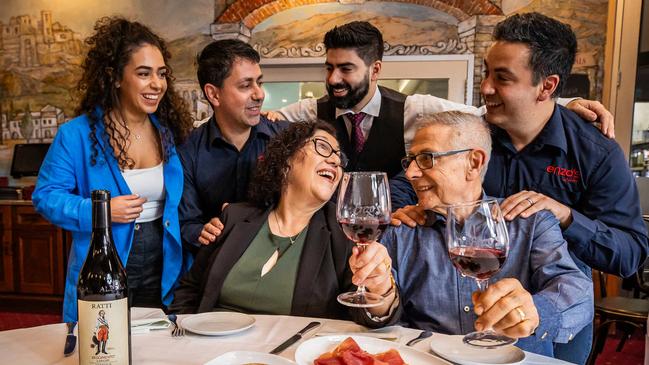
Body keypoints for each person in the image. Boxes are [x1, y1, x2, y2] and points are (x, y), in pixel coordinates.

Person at [392, 13, 649, 364]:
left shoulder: (596, 152)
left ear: (547, 86)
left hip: (552, 312)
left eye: (502, 78)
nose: (485, 88)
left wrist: (566, 216)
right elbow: (416, 177)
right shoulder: (473, 137)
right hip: (455, 315)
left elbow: (631, 253)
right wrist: (405, 208)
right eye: (486, 72)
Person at [270, 21, 615, 181]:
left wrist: (563, 103)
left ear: (375, 69)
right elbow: (264, 122)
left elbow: (482, 114)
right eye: (329, 68)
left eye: (345, 68)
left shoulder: (415, 108)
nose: (333, 79)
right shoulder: (309, 111)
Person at [383, 111, 593, 357]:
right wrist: (379, 299)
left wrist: (537, 311)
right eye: (411, 160)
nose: (411, 174)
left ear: (474, 163)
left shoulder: (530, 222)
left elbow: (578, 291)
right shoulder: (401, 230)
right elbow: (382, 315)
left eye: (427, 158)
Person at [32, 17, 193, 322]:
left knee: (158, 344)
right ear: (116, 77)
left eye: (161, 74)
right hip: (106, 262)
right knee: (104, 344)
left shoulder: (169, 132)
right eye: (143, 73)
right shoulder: (76, 134)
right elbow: (46, 197)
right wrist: (101, 211)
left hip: (164, 260)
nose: (156, 84)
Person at [170, 121, 400, 326]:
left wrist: (382, 289)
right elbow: (189, 291)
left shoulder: (345, 234)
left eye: (340, 158)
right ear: (285, 161)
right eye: (322, 147)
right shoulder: (234, 217)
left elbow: (370, 316)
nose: (335, 160)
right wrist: (184, 337)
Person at [178, 39, 288, 250]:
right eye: (246, 85)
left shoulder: (285, 138)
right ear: (213, 94)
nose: (259, 94)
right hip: (216, 267)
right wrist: (202, 231)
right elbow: (187, 223)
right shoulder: (188, 151)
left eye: (259, 82)